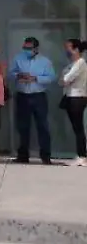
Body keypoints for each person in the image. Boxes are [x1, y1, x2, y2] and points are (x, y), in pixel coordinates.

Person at [7, 37, 55, 164]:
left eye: (29, 48)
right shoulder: (18, 58)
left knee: (43, 126)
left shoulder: (45, 61)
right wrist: (19, 75)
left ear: (36, 49)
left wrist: (35, 78)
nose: (26, 50)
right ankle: (23, 156)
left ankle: (45, 156)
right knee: (23, 127)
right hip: (22, 96)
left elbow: (51, 77)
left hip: (39, 96)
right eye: (25, 48)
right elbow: (10, 74)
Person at [59, 39, 87, 167]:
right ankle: (80, 155)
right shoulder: (72, 64)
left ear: (76, 49)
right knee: (76, 128)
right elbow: (61, 81)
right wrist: (65, 79)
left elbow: (66, 79)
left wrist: (65, 79)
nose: (66, 50)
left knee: (78, 127)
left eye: (68, 47)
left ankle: (82, 157)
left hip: (78, 97)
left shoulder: (80, 63)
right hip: (70, 97)